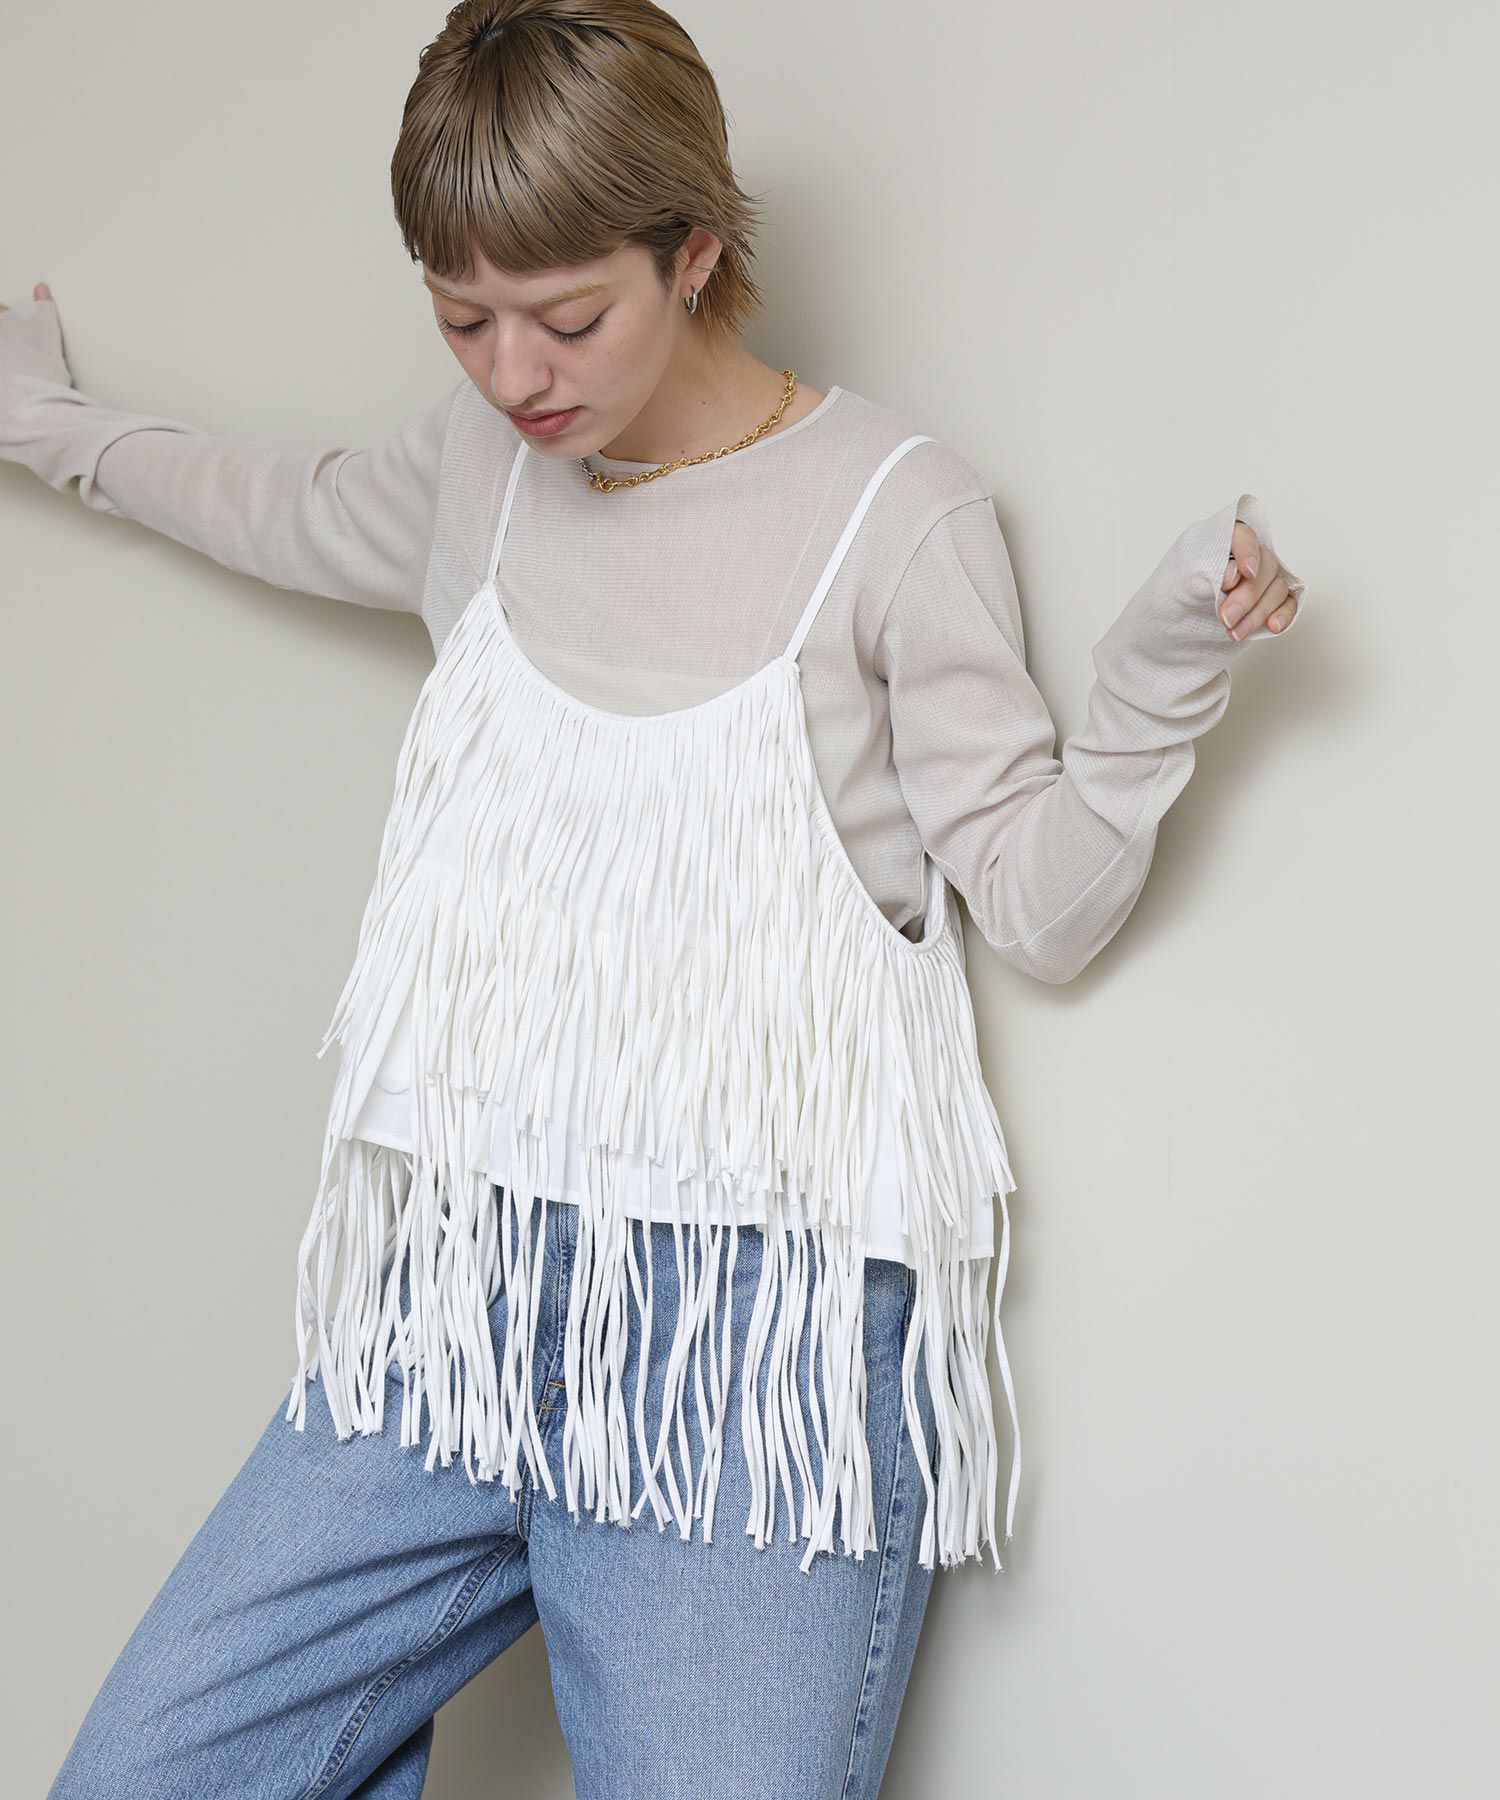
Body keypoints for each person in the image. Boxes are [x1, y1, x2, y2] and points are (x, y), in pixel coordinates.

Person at [3, 2, 1305, 1795]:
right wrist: (48, 424)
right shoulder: (480, 477)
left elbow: (1039, 901)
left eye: (567, 317)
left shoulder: (890, 515)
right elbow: (274, 503)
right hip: (447, 1307)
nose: (514, 375)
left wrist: (1162, 669)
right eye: (462, 318)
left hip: (750, 1372)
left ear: (693, 251)